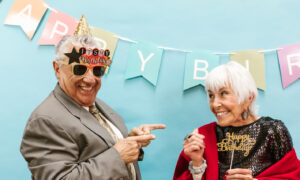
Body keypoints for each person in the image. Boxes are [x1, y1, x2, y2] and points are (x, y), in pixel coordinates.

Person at [20, 16, 166, 180]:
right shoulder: (45, 120)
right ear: (57, 69)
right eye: (80, 69)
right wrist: (118, 156)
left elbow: (102, 148)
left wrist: (131, 141)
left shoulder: (98, 106)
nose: (91, 79)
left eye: (97, 71)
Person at [173, 61, 300, 180]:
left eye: (223, 93)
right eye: (211, 95)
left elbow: (294, 176)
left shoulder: (273, 130)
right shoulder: (201, 135)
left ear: (248, 97)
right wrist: (196, 164)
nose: (215, 104)